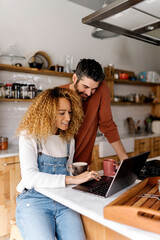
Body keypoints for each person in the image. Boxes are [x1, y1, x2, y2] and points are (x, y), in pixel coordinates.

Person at [16, 87, 100, 240]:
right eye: (62, 113)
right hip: (35, 200)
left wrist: (80, 176)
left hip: (64, 200)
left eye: (69, 112)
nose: (68, 118)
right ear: (46, 113)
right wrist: (73, 179)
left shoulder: (68, 140)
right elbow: (30, 178)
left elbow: (66, 172)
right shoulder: (29, 136)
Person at [61, 59, 128, 165]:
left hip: (82, 166)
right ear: (74, 78)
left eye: (93, 89)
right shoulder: (57, 94)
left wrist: (125, 160)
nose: (89, 93)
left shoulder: (101, 88)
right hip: (57, 167)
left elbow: (108, 126)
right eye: (85, 87)